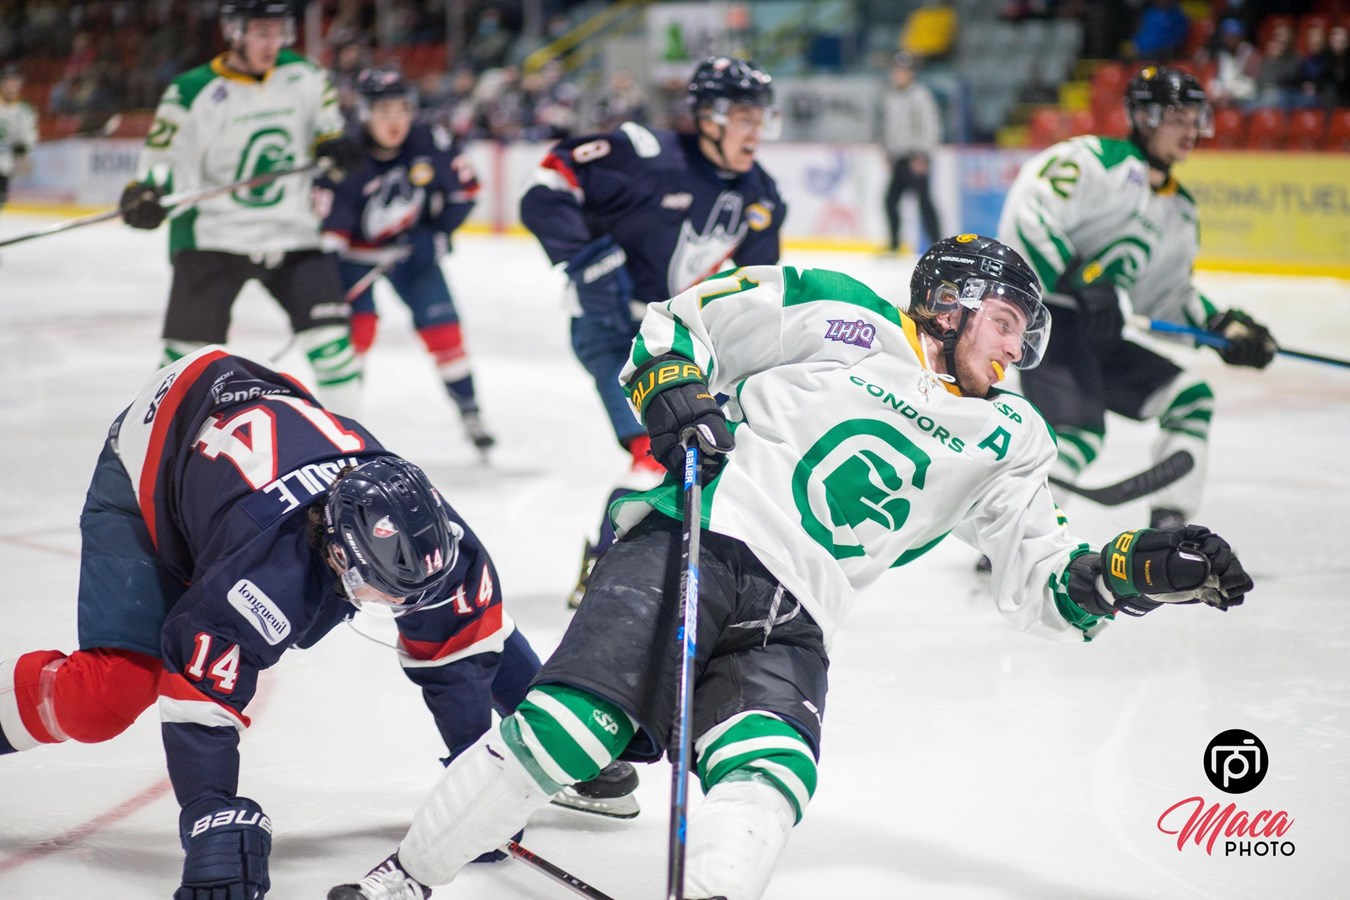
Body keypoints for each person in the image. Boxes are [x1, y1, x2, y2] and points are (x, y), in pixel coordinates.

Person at [326, 236, 1254, 900]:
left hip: (801, 613)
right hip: (696, 539)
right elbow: (681, 324)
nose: (1017, 351)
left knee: (769, 779)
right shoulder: (840, 313)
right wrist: (675, 387)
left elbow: (1042, 582)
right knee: (568, 732)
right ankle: (405, 878)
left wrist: (1136, 571)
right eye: (1006, 322)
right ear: (950, 301)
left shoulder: (1011, 434)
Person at [0, 347, 638, 899]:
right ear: (332, 550)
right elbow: (201, 703)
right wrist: (210, 813)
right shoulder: (266, 572)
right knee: (107, 695)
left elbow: (466, 647)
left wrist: (493, 779)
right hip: (159, 450)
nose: (390, 607)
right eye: (373, 588)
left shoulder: (438, 542)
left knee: (453, 615)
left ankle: (551, 726)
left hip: (260, 417)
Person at [519, 55, 787, 608]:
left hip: (681, 340)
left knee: (705, 448)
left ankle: (654, 558)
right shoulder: (644, 154)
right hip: (612, 325)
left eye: (760, 118)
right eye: (743, 116)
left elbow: (755, 293)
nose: (755, 130)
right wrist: (587, 259)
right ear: (708, 116)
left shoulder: (762, 197)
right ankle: (606, 562)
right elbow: (546, 184)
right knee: (662, 445)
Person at [998, 65, 1278, 533]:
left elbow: (1165, 297)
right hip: (1049, 323)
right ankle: (1016, 534)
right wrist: (1078, 277)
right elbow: (1030, 213)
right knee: (1078, 434)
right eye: (1177, 118)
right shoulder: (1095, 161)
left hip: (1101, 331)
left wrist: (1222, 329)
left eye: (1195, 120)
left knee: (1191, 398)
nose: (1190, 131)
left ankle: (1169, 521)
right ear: (1145, 117)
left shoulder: (1181, 211)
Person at [118, 0, 368, 416]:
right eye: (262, 32)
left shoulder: (304, 77)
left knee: (333, 346)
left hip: (292, 233)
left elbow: (328, 135)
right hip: (216, 237)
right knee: (182, 364)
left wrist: (336, 149)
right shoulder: (191, 91)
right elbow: (164, 164)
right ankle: (149, 453)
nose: (273, 43)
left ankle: (356, 456)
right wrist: (146, 192)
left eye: (279, 32)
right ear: (235, 31)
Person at [316, 66, 496, 454]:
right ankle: (338, 425)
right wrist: (330, 278)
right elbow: (329, 230)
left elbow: (465, 191)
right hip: (355, 257)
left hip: (410, 252)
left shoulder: (430, 139)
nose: (394, 120)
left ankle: (470, 411)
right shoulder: (347, 150)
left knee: (444, 331)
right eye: (382, 111)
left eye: (400, 109)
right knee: (355, 335)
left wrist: (436, 232)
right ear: (364, 113)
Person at [878, 52, 942, 255]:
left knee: (924, 203)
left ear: (911, 73)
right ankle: (895, 244)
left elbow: (929, 126)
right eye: (897, 70)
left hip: (916, 157)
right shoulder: (891, 95)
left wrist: (923, 154)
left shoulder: (920, 96)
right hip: (899, 157)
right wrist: (888, 150)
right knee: (890, 201)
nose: (899, 74)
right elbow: (888, 125)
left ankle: (937, 244)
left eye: (904, 71)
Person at [0, 64, 38, 222]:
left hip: (4, 164)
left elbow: (28, 135)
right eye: (8, 81)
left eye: (15, 81)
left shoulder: (25, 110)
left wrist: (22, 150)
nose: (12, 85)